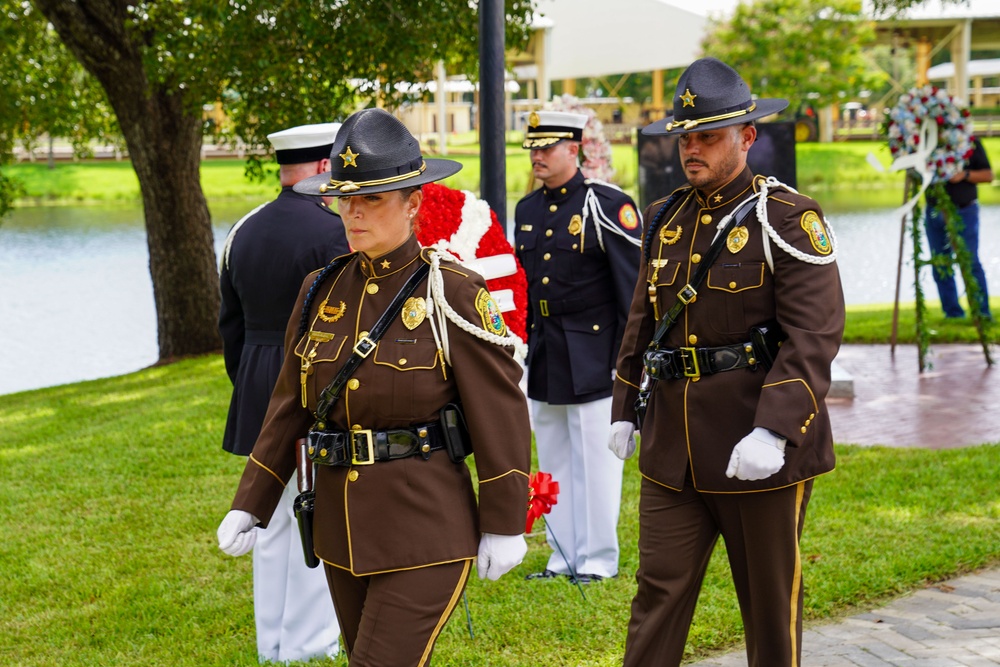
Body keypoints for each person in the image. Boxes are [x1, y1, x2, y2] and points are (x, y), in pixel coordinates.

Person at [216, 107, 531, 666]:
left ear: (413, 203)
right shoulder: (321, 289)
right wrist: (253, 501)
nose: (353, 212)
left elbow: (500, 410)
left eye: (373, 198)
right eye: (345, 198)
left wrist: (505, 522)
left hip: (424, 530)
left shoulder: (452, 291)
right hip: (340, 532)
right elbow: (291, 404)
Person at [608, 57, 845, 666]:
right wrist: (624, 408)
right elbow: (644, 319)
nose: (692, 149)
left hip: (756, 443)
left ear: (747, 137)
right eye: (685, 137)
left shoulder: (788, 217)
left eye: (707, 136)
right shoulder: (665, 218)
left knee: (769, 607)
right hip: (673, 448)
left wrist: (774, 428)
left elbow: (814, 335)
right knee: (656, 595)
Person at [218, 122, 348, 663]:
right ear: (323, 168)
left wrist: (249, 381)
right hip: (312, 380)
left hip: (256, 380)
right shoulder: (335, 232)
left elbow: (231, 326)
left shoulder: (244, 228)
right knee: (322, 512)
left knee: (267, 516)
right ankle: (309, 643)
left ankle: (272, 641)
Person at [514, 110, 642, 584]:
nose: (539, 156)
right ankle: (561, 554)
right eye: (534, 148)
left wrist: (627, 365)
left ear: (575, 150)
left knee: (596, 462)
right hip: (546, 351)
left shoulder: (606, 205)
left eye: (548, 148)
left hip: (594, 353)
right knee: (553, 459)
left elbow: (632, 293)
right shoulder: (527, 209)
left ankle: (597, 560)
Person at [924, 135, 993, 319]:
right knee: (940, 263)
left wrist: (964, 175)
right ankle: (953, 313)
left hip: (964, 211)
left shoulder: (968, 140)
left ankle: (982, 313)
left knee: (970, 262)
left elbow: (988, 175)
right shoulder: (922, 142)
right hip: (934, 211)